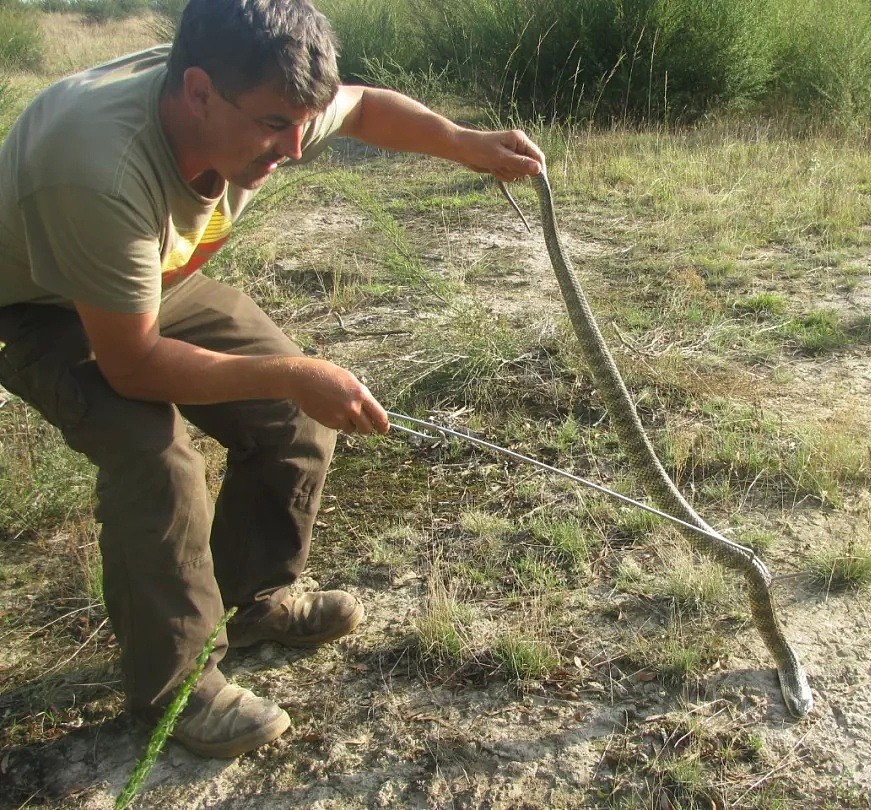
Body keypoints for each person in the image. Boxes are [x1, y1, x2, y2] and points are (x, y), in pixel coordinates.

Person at [0, 0, 544, 758]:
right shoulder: (98, 171)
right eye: (271, 125)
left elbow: (361, 107)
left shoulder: (263, 97)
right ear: (197, 93)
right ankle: (177, 693)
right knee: (155, 458)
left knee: (292, 416)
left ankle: (256, 600)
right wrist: (294, 373)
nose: (292, 147)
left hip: (150, 283)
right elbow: (131, 364)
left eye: (301, 122)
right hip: (42, 301)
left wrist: (465, 144)